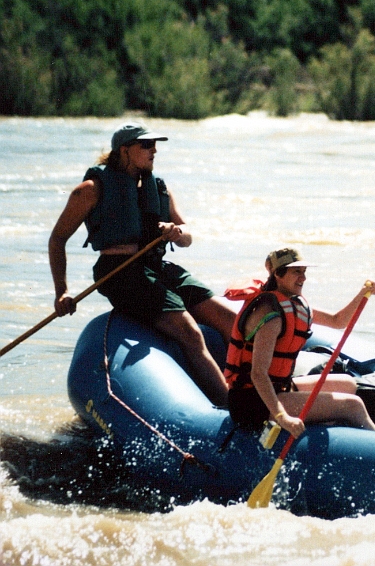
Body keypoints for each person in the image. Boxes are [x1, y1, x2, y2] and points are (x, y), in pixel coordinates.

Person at [49, 122, 236, 406]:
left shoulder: (158, 187)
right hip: (120, 272)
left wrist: (176, 232)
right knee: (190, 334)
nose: (154, 150)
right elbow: (58, 239)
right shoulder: (90, 189)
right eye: (146, 145)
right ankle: (231, 406)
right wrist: (61, 291)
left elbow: (187, 236)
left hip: (156, 266)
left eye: (155, 145)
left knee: (231, 320)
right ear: (124, 150)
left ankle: (259, 390)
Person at [223, 247, 375, 437]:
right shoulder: (270, 315)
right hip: (252, 401)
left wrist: (363, 294)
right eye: (296, 271)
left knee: (348, 384)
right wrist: (283, 417)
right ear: (278, 275)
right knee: (353, 406)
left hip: (279, 388)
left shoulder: (293, 304)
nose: (303, 278)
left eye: (304, 272)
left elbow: (338, 321)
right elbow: (258, 374)